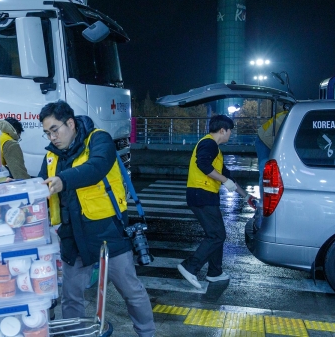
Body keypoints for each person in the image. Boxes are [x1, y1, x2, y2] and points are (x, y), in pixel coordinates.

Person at [38, 100, 155, 337]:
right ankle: (75, 334)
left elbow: (96, 168)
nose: (52, 137)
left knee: (130, 290)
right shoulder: (52, 156)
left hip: (106, 230)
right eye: (47, 133)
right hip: (72, 233)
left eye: (54, 130)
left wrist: (63, 180)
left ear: (70, 123)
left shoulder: (98, 139)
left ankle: (147, 333)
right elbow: (41, 184)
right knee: (71, 296)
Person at [177, 114, 250, 289]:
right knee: (217, 235)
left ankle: (215, 272)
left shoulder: (215, 150)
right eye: (230, 131)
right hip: (201, 194)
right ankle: (190, 267)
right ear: (222, 130)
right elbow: (202, 164)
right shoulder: (208, 143)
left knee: (217, 234)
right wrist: (225, 181)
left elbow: (227, 176)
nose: (230, 134)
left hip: (206, 195)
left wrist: (246, 196)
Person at [255, 107, 289, 182]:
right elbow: (268, 137)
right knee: (265, 169)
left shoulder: (287, 116)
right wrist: (276, 151)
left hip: (270, 137)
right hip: (263, 140)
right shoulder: (285, 119)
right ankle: (263, 192)